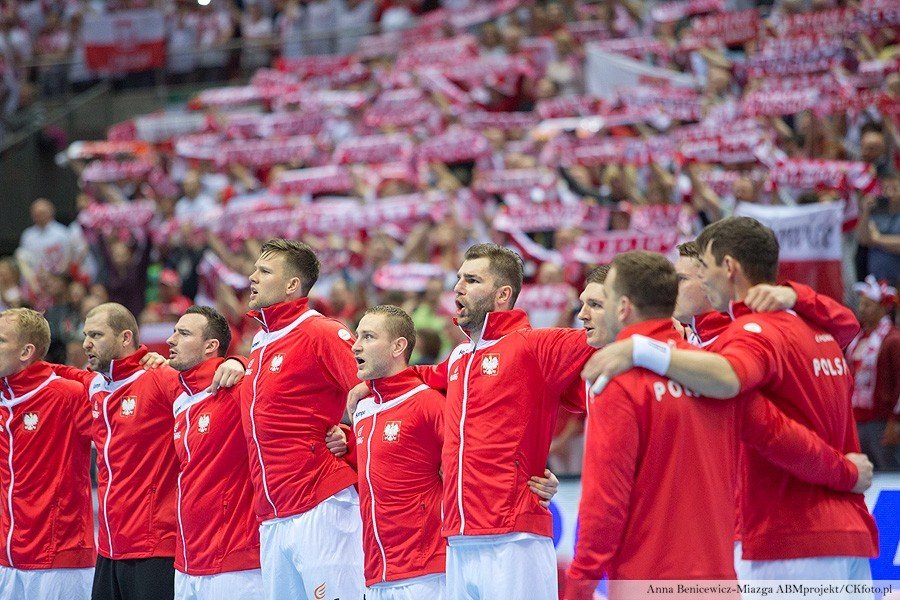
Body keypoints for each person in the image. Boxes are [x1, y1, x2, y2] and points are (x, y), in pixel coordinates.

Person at [583, 217, 879, 581]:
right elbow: (849, 323)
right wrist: (798, 295)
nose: (701, 280)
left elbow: (753, 408)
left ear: (728, 267)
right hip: (848, 533)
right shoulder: (819, 328)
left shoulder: (748, 335)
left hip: (786, 538)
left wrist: (642, 349)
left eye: (701, 269)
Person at [404, 243, 596, 600]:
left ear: (502, 294)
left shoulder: (535, 345)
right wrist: (366, 386)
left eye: (472, 280)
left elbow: (607, 339)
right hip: (459, 538)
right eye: (458, 278)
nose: (458, 288)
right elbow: (415, 379)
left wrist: (665, 329)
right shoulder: (459, 357)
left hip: (514, 538)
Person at [349, 304, 560, 599]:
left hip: (426, 571)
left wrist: (530, 475)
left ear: (398, 346)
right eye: (358, 335)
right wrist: (343, 441)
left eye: (368, 337)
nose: (356, 345)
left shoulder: (429, 403)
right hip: (375, 574)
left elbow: (471, 455)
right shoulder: (363, 409)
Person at [52, 302, 244, 600]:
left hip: (155, 548)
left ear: (125, 337)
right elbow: (48, 373)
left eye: (96, 335)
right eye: (85, 335)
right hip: (109, 547)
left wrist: (237, 362)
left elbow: (205, 380)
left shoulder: (160, 376)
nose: (86, 343)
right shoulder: (96, 386)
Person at [241, 238, 365, 600]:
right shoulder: (261, 342)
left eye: (265, 271)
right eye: (255, 269)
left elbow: (376, 395)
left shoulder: (322, 332)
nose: (252, 277)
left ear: (292, 285)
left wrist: (349, 440)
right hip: (272, 514)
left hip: (320, 505)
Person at [165, 306, 261, 600]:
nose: (170, 339)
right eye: (174, 331)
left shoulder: (238, 389)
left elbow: (280, 387)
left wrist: (242, 362)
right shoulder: (181, 399)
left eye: (183, 333)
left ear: (211, 346)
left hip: (234, 562)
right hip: (187, 562)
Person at [0, 308, 94, 600]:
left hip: (59, 559)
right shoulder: (3, 398)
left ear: (26, 351)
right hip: (7, 558)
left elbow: (120, 410)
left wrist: (147, 363)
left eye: (1, 340)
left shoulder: (68, 395)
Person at [846, 276, 900, 470]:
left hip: (882, 422)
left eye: (867, 305)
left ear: (882, 308)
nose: (861, 309)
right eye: (860, 304)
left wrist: (895, 421)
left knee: (890, 474)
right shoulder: (856, 339)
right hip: (857, 419)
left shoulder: (893, 340)